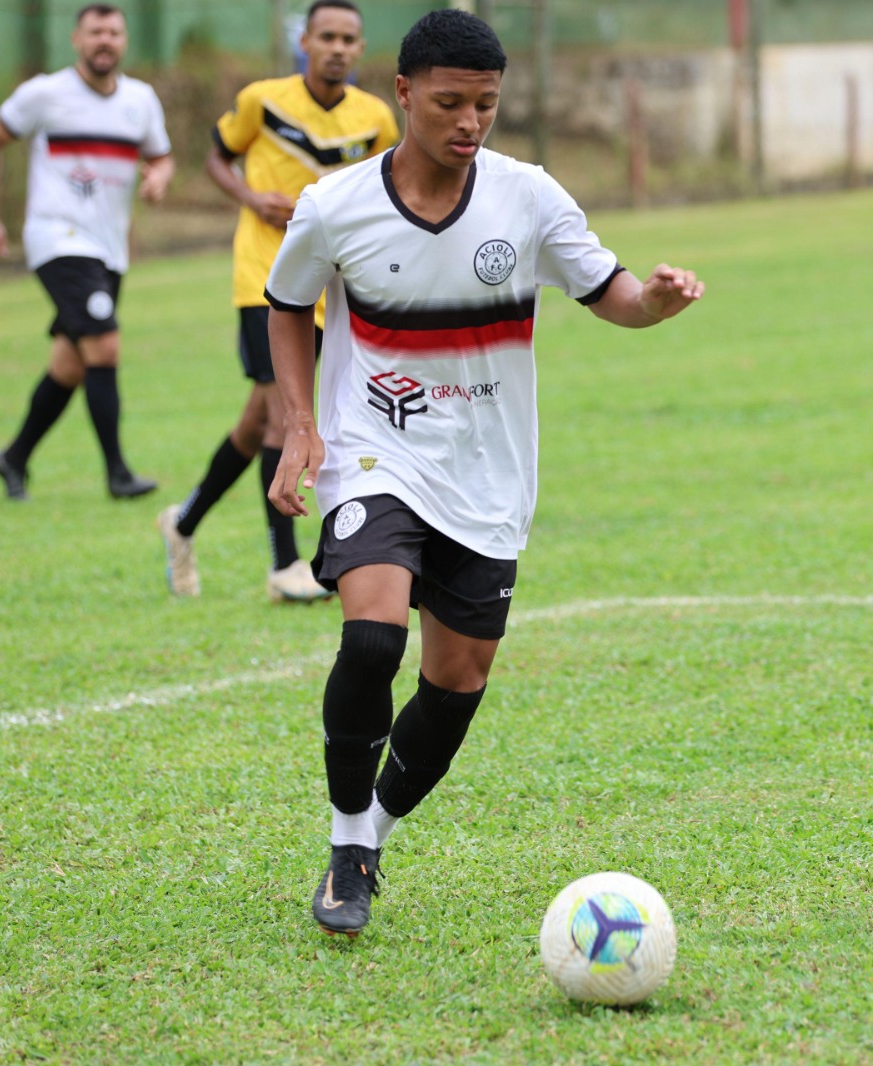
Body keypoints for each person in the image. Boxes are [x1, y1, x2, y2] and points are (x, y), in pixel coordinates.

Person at [263, 8, 705, 939]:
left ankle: (373, 837)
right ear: (405, 94)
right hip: (377, 453)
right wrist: (300, 425)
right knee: (374, 638)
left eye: (487, 106)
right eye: (451, 103)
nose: (469, 123)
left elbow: (612, 294)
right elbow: (287, 304)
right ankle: (345, 843)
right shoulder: (334, 206)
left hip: (490, 474)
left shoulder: (529, 198)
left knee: (456, 681)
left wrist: (655, 302)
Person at [156, 0, 398, 603]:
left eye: (349, 38)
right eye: (327, 37)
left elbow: (384, 189)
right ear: (305, 42)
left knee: (253, 422)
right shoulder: (262, 100)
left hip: (332, 288)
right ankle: (285, 566)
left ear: (360, 48)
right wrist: (248, 196)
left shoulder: (376, 119)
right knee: (278, 416)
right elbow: (216, 155)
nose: (338, 48)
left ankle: (181, 524)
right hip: (263, 280)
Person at [0, 3, 173, 501]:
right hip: (56, 238)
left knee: (71, 363)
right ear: (75, 40)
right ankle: (118, 475)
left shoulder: (140, 100)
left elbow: (161, 156)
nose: (105, 40)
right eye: (95, 32)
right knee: (104, 344)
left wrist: (160, 176)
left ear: (124, 41)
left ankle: (13, 458)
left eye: (114, 32)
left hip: (107, 248)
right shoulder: (45, 93)